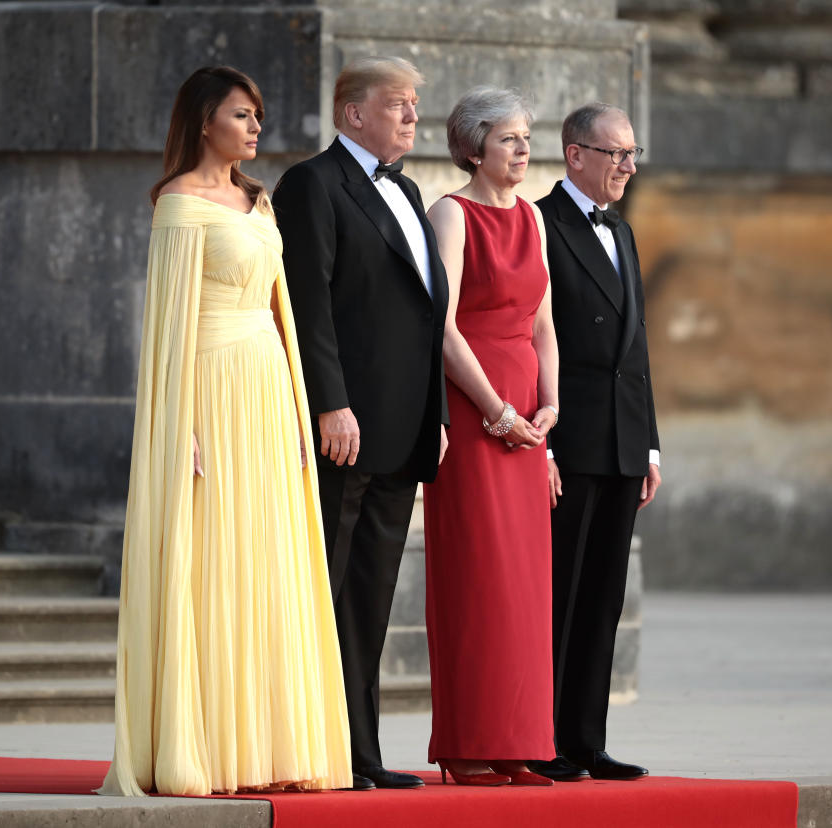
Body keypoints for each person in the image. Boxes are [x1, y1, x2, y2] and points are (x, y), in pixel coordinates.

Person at [98, 66, 351, 797]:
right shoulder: (178, 205)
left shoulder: (260, 202)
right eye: (241, 115)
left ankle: (269, 747)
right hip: (209, 391)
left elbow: (283, 313)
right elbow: (166, 332)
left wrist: (301, 413)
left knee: (268, 561)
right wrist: (184, 426)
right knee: (212, 562)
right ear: (204, 121)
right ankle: (203, 744)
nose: (254, 127)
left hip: (270, 390)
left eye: (257, 116)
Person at [271, 56, 449, 791]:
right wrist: (329, 401)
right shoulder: (312, 184)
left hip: (403, 428)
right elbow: (308, 303)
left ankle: (361, 754)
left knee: (370, 598)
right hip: (343, 426)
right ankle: (308, 749)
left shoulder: (407, 189)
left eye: (415, 104)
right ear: (353, 113)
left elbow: (424, 316)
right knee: (325, 588)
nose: (412, 116)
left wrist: (434, 412)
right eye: (398, 104)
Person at [422, 87, 560, 787]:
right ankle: (467, 744)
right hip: (475, 417)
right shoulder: (450, 214)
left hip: (527, 426)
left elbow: (543, 325)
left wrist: (549, 411)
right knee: (477, 578)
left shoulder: (534, 218)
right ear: (473, 145)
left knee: (524, 592)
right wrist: (496, 411)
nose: (523, 149)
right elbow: (440, 328)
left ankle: (516, 742)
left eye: (527, 137)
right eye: (509, 138)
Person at [529, 102, 661, 783]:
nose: (629, 167)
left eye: (632, 154)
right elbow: (529, 341)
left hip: (622, 443)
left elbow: (635, 348)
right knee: (562, 594)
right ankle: (542, 737)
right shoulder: (540, 224)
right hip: (570, 440)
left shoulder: (625, 232)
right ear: (575, 154)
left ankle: (587, 739)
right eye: (617, 154)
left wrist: (652, 446)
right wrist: (540, 444)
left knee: (605, 597)